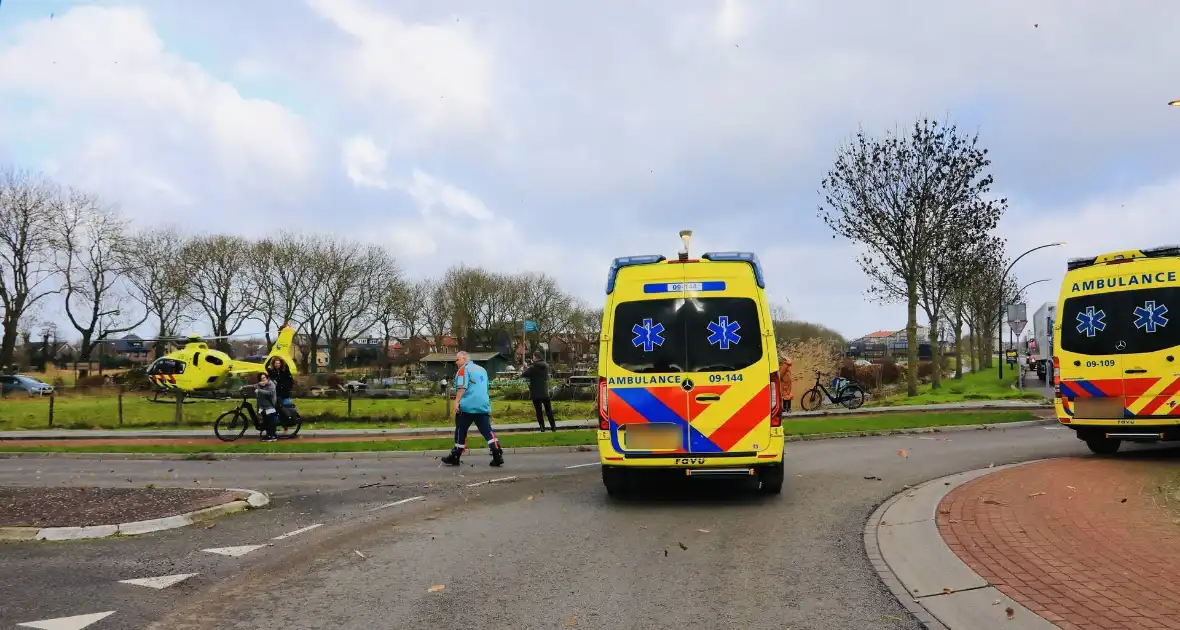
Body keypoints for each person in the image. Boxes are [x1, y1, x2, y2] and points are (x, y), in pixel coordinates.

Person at [440, 351, 504, 467]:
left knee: (461, 430)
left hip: (467, 406)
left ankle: (455, 455)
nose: (456, 362)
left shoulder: (463, 370)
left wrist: (457, 402)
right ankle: (497, 453)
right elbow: (485, 387)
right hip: (482, 406)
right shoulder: (482, 370)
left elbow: (462, 388)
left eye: (457, 360)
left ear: (464, 359)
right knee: (487, 431)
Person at [521, 354, 556, 431]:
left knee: (539, 411)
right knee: (548, 410)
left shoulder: (533, 367)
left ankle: (542, 427)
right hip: (545, 391)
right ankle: (553, 427)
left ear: (535, 357)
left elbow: (524, 374)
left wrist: (526, 367)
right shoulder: (546, 366)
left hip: (535, 393)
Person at [266, 357, 297, 429]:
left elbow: (290, 380)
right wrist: (270, 357)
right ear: (273, 364)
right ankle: (280, 424)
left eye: (279, 363)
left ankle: (288, 424)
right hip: (277, 393)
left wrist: (288, 388)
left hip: (285, 393)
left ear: (281, 364)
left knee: (287, 409)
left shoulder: (285, 371)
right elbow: (266, 367)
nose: (277, 365)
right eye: (276, 363)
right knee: (278, 409)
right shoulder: (272, 372)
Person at [254, 373, 280, 442]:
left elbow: (270, 393)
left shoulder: (271, 384)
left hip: (270, 406)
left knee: (270, 421)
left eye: (264, 377)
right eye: (261, 378)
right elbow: (253, 386)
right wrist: (244, 387)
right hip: (263, 406)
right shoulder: (260, 384)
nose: (263, 379)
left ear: (267, 378)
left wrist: (259, 390)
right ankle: (268, 435)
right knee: (266, 421)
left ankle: (273, 436)